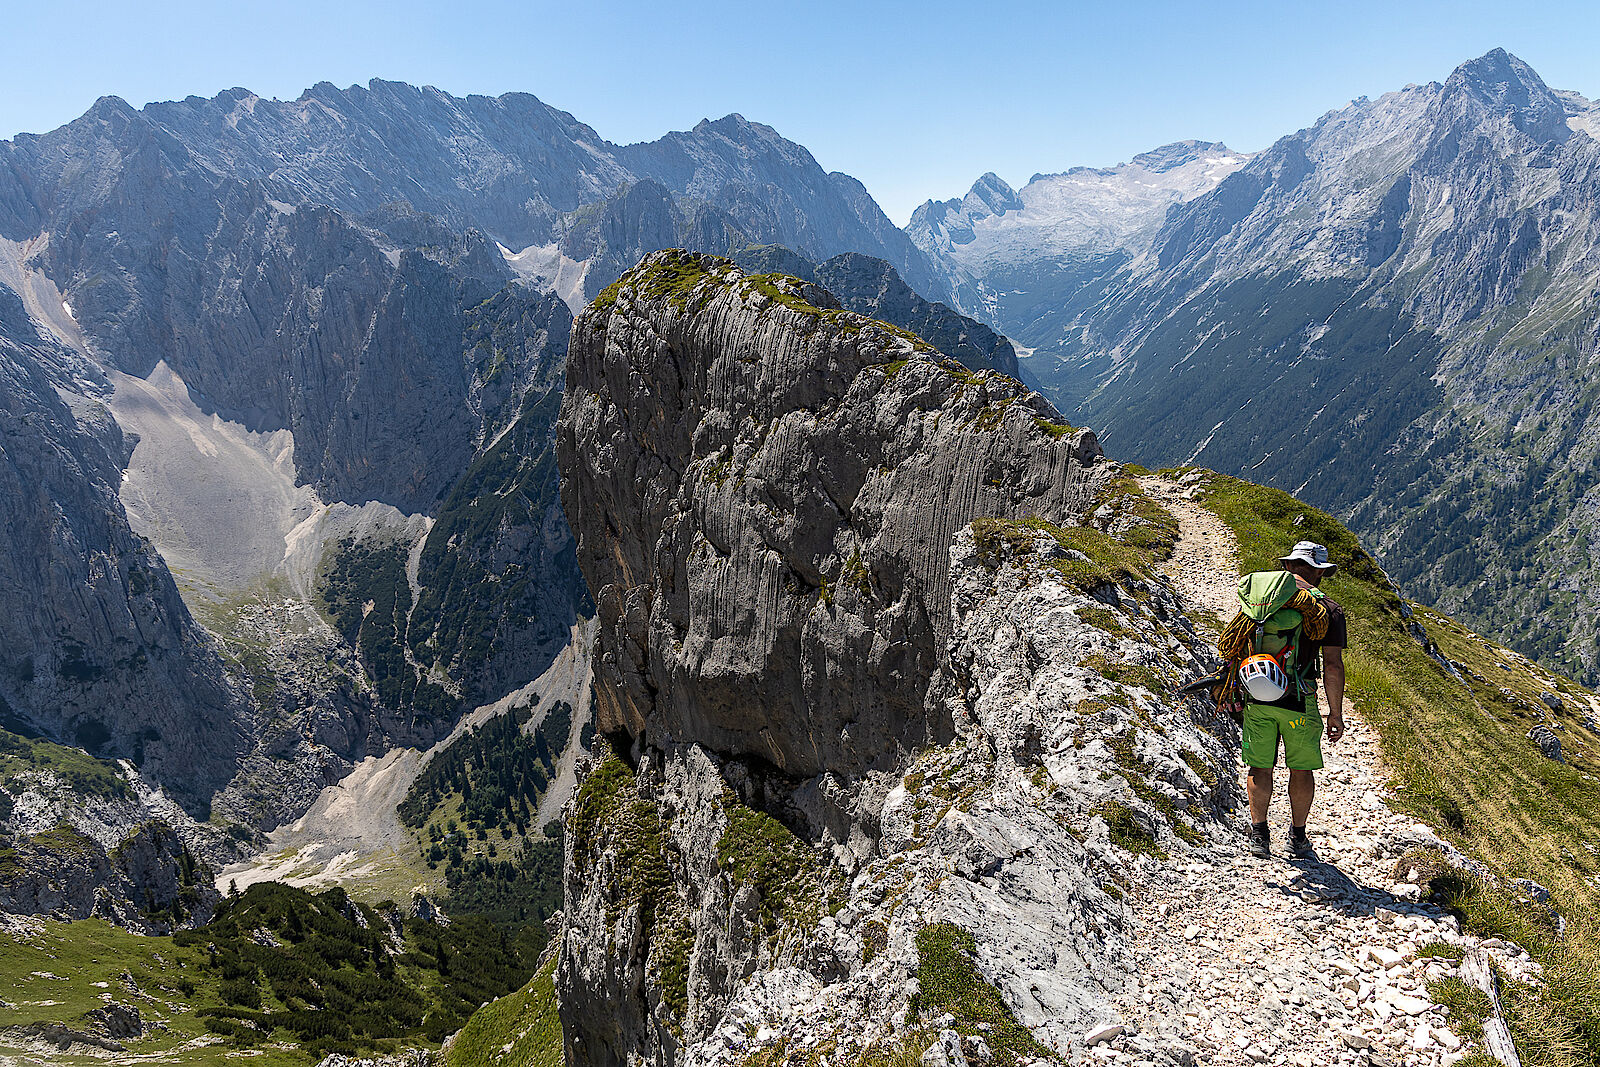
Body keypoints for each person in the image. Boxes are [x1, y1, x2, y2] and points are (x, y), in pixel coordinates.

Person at [1244, 541, 1347, 858]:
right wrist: (1335, 713)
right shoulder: (1327, 610)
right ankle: (1298, 838)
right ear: (1319, 571)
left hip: (1257, 695)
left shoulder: (1258, 601)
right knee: (1300, 770)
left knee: (1259, 766)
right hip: (1298, 699)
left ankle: (1259, 835)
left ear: (1288, 566)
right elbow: (1332, 665)